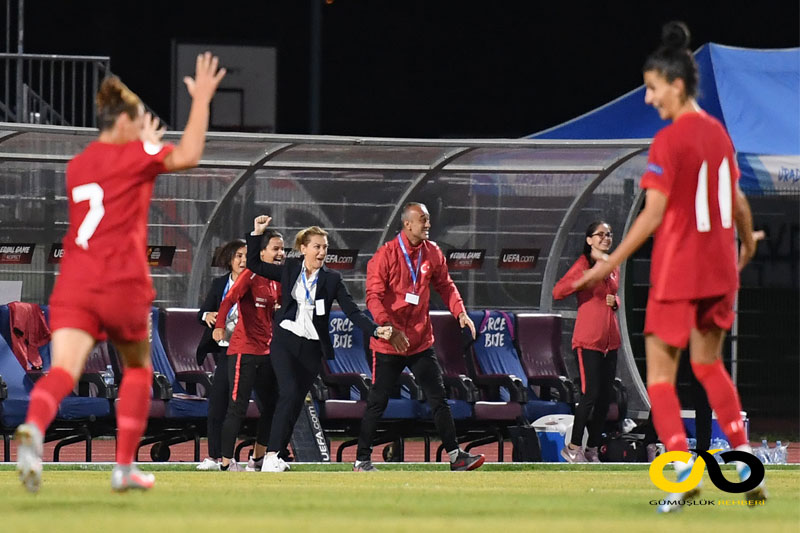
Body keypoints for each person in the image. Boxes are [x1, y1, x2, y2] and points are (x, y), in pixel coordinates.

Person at [575, 22, 766, 510]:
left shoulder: (670, 141)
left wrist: (607, 263)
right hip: (719, 270)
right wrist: (746, 243)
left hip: (680, 271)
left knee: (660, 378)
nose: (647, 98)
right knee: (709, 366)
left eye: (652, 88)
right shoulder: (720, 136)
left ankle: (681, 479)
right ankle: (746, 467)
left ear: (675, 86)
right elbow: (739, 200)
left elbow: (654, 214)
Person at [15, 52, 226, 493]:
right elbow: (188, 154)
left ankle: (33, 428)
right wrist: (202, 99)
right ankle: (124, 466)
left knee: (65, 370)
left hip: (76, 281)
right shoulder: (136, 154)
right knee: (136, 369)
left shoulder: (79, 166)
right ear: (127, 122)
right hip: (122, 282)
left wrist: (144, 145)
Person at [246, 216, 393, 472]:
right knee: (289, 392)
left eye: (325, 248)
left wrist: (375, 330)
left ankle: (277, 454)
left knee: (295, 401)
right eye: (317, 246)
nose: (322, 252)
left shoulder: (332, 280)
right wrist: (257, 234)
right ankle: (270, 455)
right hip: (285, 339)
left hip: (312, 347)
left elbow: (352, 311)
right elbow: (254, 263)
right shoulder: (290, 269)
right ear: (303, 248)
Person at [354, 202, 485, 472]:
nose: (428, 225)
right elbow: (373, 298)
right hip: (389, 342)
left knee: (438, 398)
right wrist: (387, 327)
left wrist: (460, 312)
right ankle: (361, 460)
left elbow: (446, 286)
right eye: (423, 220)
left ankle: (455, 456)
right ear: (407, 224)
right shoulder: (385, 255)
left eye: (428, 220)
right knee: (378, 401)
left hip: (420, 341)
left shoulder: (432, 252)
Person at [214, 230, 285, 472]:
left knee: (272, 406)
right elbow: (228, 300)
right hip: (243, 351)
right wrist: (220, 326)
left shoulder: (278, 278)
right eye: (275, 249)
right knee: (238, 407)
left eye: (282, 249)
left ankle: (257, 459)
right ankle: (226, 462)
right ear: (262, 252)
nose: (280, 254)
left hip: (267, 352)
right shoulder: (250, 275)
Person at [553, 221, 620, 463]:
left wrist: (616, 302)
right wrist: (582, 280)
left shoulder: (613, 265)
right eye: (600, 234)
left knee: (605, 397)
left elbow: (611, 297)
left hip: (610, 343)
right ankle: (573, 447)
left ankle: (592, 448)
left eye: (609, 234)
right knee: (589, 394)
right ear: (589, 239)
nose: (605, 238)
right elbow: (558, 291)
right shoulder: (583, 264)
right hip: (588, 341)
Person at [195, 239, 247, 471]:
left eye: (247, 255)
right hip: (225, 351)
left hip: (251, 350)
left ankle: (262, 456)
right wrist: (207, 315)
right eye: (238, 256)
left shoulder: (256, 283)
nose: (243, 260)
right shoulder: (219, 284)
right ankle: (214, 457)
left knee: (241, 406)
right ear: (229, 260)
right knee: (218, 405)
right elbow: (202, 312)